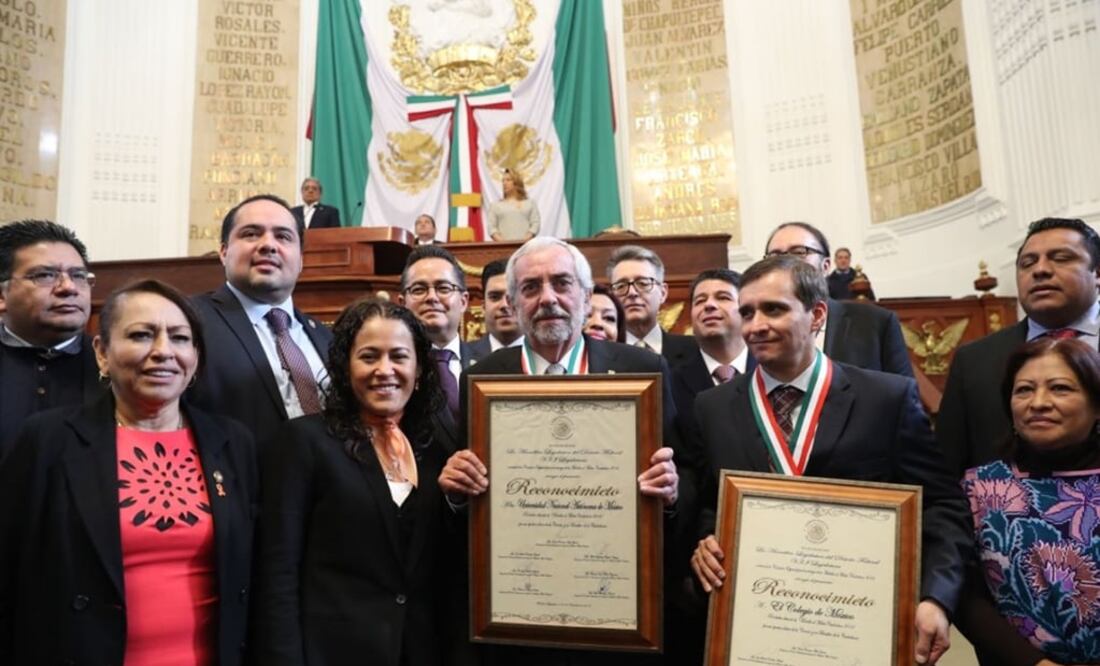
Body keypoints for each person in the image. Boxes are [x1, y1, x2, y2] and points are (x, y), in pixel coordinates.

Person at [690, 256, 970, 666]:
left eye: (774, 309)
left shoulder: (886, 399)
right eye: (747, 312)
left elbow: (943, 506)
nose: (755, 326)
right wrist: (705, 541)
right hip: (760, 625)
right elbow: (710, 503)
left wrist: (936, 598)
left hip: (861, 624)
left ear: (817, 315)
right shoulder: (711, 408)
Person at [440, 236, 689, 666]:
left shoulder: (642, 369)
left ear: (587, 296)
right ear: (513, 303)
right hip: (520, 613)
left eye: (561, 283)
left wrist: (672, 492)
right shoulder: (483, 379)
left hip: (617, 608)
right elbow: (474, 498)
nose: (547, 298)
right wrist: (458, 491)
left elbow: (684, 475)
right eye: (531, 287)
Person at [0, 279, 258, 665]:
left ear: (196, 356)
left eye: (180, 338)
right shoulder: (49, 439)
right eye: (141, 335)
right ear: (102, 353)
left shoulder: (232, 443)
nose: (163, 351)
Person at [254, 298, 450, 665]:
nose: (385, 370)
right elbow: (278, 572)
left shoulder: (434, 450)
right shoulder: (303, 442)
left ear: (420, 368)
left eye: (399, 356)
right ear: (346, 367)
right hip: (330, 652)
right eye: (369, 356)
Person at [956, 338, 1100, 665]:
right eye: (1024, 390)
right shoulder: (979, 489)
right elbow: (967, 596)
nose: (1038, 403)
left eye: (1060, 388)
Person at [939, 217, 1100, 476]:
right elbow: (948, 469)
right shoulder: (973, 360)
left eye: (1061, 258)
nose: (1040, 270)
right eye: (1027, 263)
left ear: (1097, 273)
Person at [189, 194, 333, 449]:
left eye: (283, 236)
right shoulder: (190, 322)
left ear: (301, 260)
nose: (268, 245)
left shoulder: (326, 337)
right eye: (251, 234)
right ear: (223, 252)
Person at [0, 220, 101, 455]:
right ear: (2, 296)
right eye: (45, 275)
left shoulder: (117, 366)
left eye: (78, 276)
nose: (68, 287)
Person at [765, 221, 912, 376]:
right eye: (774, 256)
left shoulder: (876, 324)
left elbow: (903, 389)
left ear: (825, 266)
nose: (785, 262)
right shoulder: (755, 329)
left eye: (799, 252)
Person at [398, 245, 472, 456]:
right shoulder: (392, 371)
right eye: (419, 289)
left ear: (464, 301)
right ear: (402, 303)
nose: (431, 297)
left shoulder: (490, 363)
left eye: (443, 288)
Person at [607, 244, 698, 366]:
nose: (632, 293)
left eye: (643, 283)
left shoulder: (695, 351)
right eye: (621, 286)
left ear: (663, 293)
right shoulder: (601, 356)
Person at [469, 258, 522, 362]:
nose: (504, 305)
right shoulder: (461, 357)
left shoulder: (546, 355)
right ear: (483, 306)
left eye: (512, 297)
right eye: (495, 297)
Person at [486, 168, 540, 242]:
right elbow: (491, 228)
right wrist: (504, 244)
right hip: (504, 248)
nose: (504, 183)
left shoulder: (530, 203)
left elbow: (535, 224)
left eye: (508, 180)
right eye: (503, 181)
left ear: (517, 182)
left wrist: (524, 241)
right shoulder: (495, 206)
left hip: (526, 247)